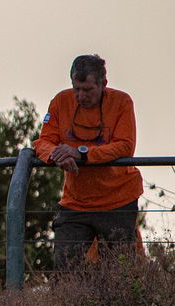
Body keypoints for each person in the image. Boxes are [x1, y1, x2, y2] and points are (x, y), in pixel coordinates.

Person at [33, 54, 143, 273]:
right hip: (75, 203)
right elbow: (42, 141)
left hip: (118, 200)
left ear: (104, 84)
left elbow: (125, 146)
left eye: (88, 90)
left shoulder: (122, 102)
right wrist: (57, 155)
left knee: (121, 272)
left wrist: (81, 154)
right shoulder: (60, 101)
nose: (81, 96)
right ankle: (74, 297)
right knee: (65, 268)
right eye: (76, 89)